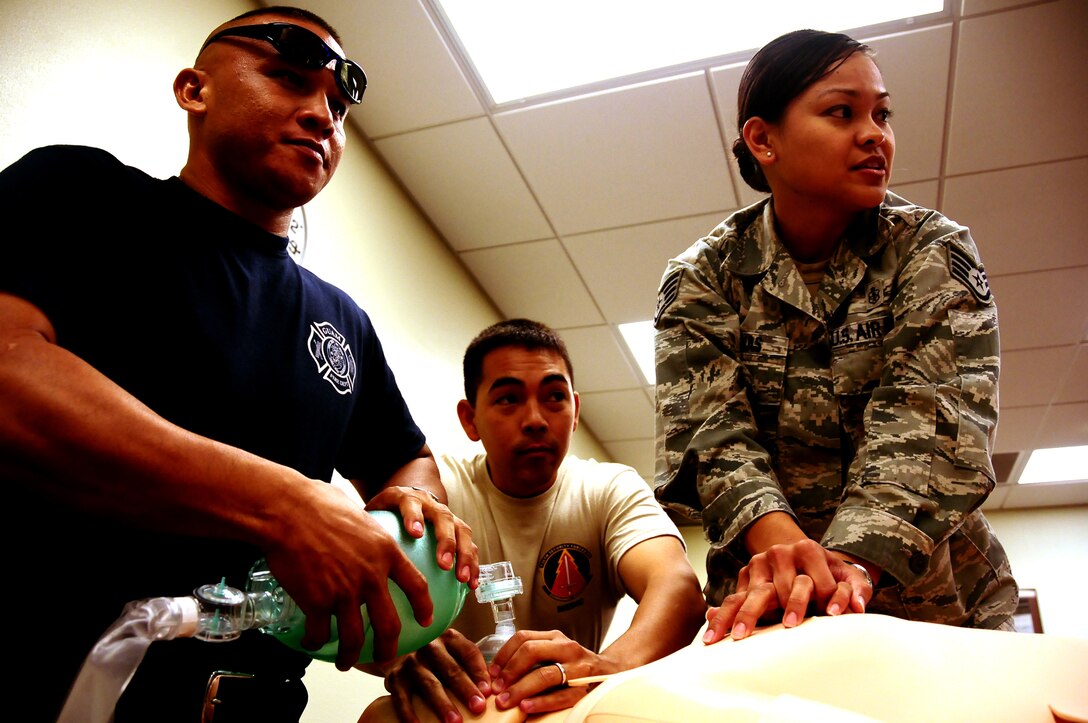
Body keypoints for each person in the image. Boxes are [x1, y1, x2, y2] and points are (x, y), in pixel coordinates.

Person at [0, 7, 476, 723]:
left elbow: (406, 461)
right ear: (195, 89)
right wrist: (285, 507)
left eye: (338, 105)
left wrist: (408, 528)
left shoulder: (340, 320)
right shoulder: (84, 194)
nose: (321, 115)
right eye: (287, 79)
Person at [653, 29, 1017, 645]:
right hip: (769, 607)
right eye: (841, 112)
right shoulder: (702, 277)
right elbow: (713, 435)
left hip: (936, 608)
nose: (875, 133)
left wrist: (845, 571)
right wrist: (788, 553)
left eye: (882, 114)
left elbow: (931, 419)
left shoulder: (927, 247)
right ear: (763, 139)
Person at [366, 319, 706, 722]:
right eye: (509, 399)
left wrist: (606, 670)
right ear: (470, 418)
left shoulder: (607, 487)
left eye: (554, 397)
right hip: (458, 712)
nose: (535, 420)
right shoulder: (432, 492)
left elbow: (679, 590)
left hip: (567, 708)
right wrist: (398, 657)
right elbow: (355, 597)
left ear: (575, 410)